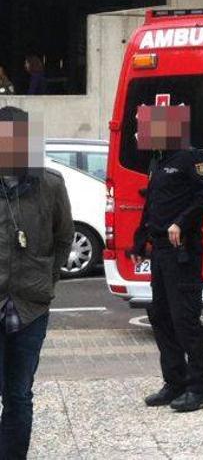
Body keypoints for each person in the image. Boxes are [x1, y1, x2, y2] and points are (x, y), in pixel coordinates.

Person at [130, 102, 203, 412]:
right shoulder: (159, 161)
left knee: (184, 319)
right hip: (161, 253)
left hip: (183, 252)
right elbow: (152, 203)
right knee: (160, 315)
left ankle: (201, 387)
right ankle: (175, 381)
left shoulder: (190, 159)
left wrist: (181, 222)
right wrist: (140, 239)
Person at [0, 106, 73, 459]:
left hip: (30, 308)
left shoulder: (50, 185)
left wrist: (46, 278)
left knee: (18, 394)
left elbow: (64, 238)